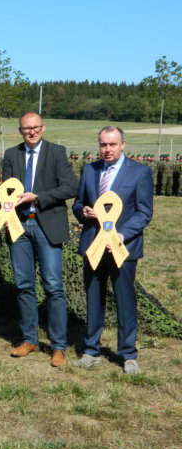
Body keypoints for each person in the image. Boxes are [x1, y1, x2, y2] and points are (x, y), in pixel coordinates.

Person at [72, 126, 153, 373]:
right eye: (103, 145)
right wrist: (83, 211)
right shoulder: (90, 170)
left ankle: (128, 355)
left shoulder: (140, 172)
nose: (107, 149)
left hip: (122, 247)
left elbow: (144, 212)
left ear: (123, 145)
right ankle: (91, 350)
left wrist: (122, 234)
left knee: (124, 300)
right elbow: (77, 203)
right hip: (93, 245)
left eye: (112, 144)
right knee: (93, 298)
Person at [2, 112, 77, 367]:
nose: (32, 132)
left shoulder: (57, 152)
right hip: (19, 227)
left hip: (48, 226)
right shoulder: (11, 155)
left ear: (43, 128)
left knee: (53, 286)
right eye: (27, 128)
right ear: (20, 131)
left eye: (35, 127)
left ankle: (58, 346)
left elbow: (70, 187)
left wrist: (38, 197)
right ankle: (29, 339)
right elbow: (5, 191)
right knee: (23, 284)